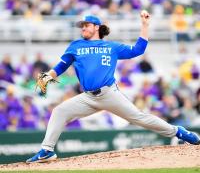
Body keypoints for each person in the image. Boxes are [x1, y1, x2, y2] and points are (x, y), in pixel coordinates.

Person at [26, 11, 200, 163]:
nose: (83, 28)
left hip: (109, 94)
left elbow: (137, 50)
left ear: (96, 27)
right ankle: (47, 150)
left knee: (139, 118)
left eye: (86, 25)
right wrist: (48, 76)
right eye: (82, 26)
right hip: (87, 97)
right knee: (59, 111)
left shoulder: (111, 47)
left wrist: (144, 25)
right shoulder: (76, 46)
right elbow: (61, 66)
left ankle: (178, 131)